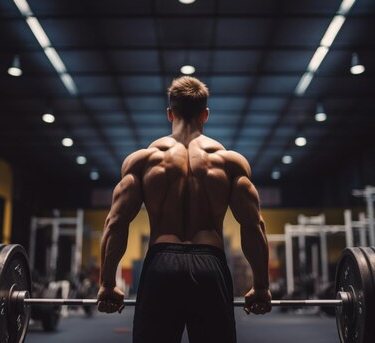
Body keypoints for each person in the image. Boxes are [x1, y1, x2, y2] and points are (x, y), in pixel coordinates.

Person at [97, 76, 271, 343]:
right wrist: (261, 286)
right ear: (206, 114)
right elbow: (253, 225)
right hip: (210, 265)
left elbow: (116, 223)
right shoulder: (229, 162)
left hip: (160, 265)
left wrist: (107, 284)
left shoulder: (143, 160)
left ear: (170, 113)